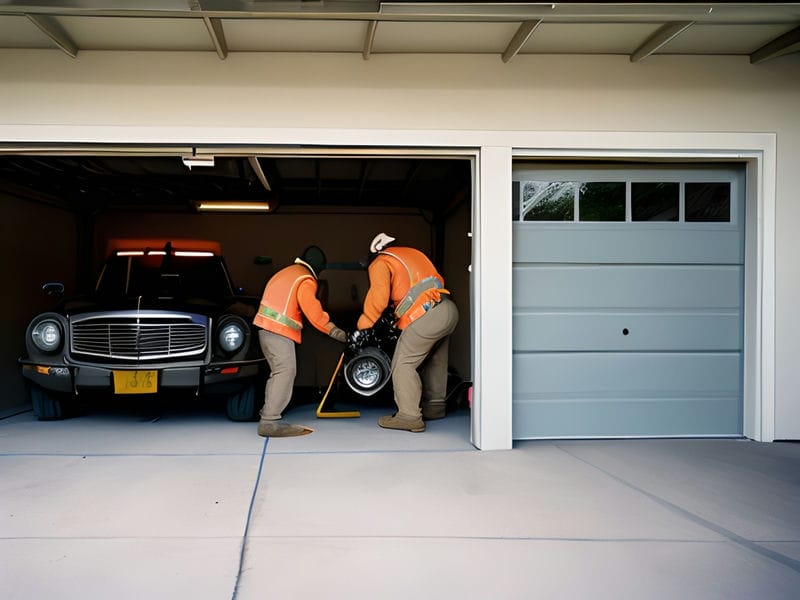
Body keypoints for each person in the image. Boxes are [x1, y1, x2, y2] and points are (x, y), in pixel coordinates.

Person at [355, 233, 459, 432]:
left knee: (403, 363)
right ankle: (435, 406)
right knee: (435, 359)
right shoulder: (412, 255)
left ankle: (409, 416)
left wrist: (363, 327)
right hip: (447, 308)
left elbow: (378, 298)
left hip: (426, 315)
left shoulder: (380, 262)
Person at [253, 245, 347, 437]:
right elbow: (313, 311)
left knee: (278, 372)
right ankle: (269, 422)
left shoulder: (287, 272)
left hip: (265, 329)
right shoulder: (305, 279)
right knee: (285, 371)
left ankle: (268, 415)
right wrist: (335, 331)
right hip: (278, 331)